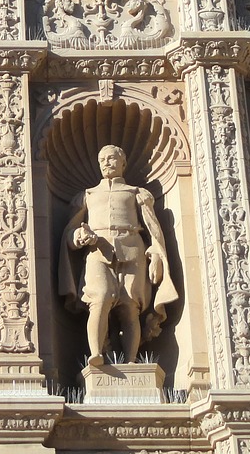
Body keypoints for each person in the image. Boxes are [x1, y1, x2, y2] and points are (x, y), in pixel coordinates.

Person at [60, 145, 179, 367]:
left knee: (129, 305)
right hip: (97, 250)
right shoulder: (87, 196)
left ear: (123, 163)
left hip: (132, 247)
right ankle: (96, 354)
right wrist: (79, 236)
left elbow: (154, 229)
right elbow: (70, 231)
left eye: (112, 158)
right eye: (102, 159)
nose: (106, 162)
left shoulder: (137, 193)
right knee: (100, 298)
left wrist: (156, 255)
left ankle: (131, 360)